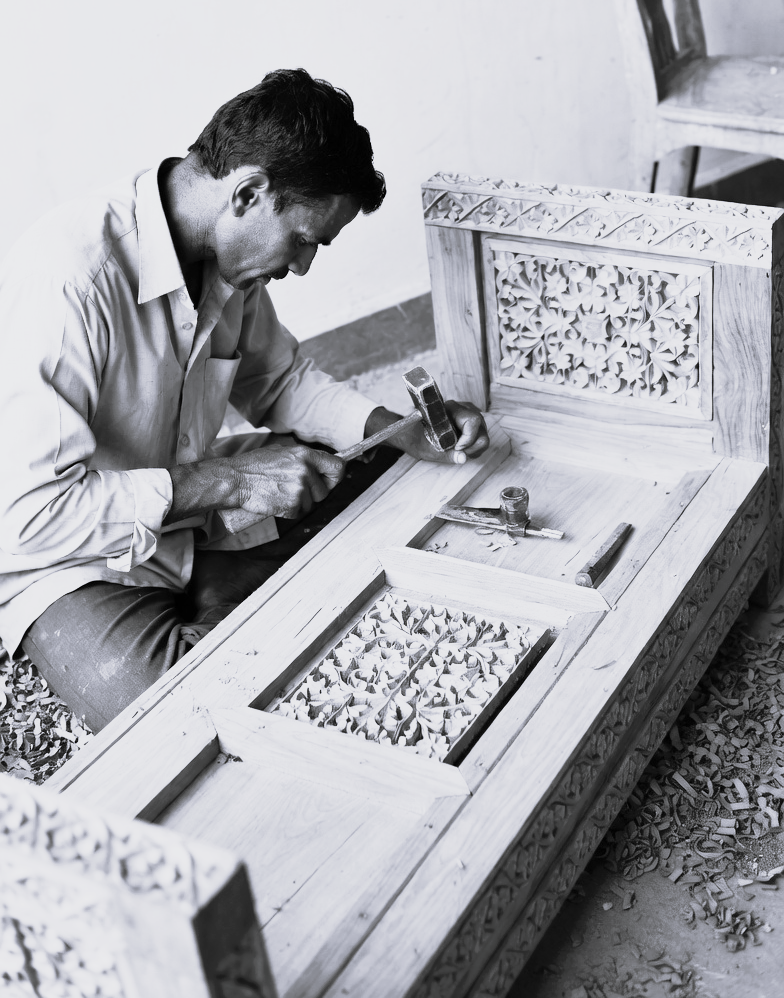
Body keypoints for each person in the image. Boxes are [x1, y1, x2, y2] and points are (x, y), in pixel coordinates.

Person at [0, 68, 488, 731]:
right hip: (70, 559)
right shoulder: (71, 280)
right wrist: (230, 481)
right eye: (304, 240)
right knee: (183, 711)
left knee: (375, 476)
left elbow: (279, 381)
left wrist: (397, 427)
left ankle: (219, 588)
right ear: (248, 192)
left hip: (183, 518)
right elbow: (28, 515)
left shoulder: (231, 263)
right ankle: (221, 597)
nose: (303, 265)